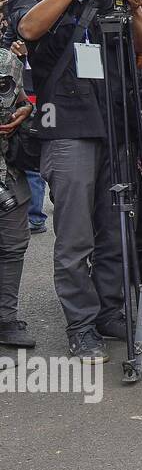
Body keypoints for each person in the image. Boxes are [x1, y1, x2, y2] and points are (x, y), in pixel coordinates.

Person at [11, 0, 142, 361]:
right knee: (75, 237)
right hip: (68, 128)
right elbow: (29, 29)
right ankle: (81, 325)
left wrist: (135, 6)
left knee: (114, 231)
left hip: (115, 125)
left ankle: (110, 311)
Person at [0, 46, 34, 349]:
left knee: (13, 247)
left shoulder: (8, 61)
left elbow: (23, 101)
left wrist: (26, 111)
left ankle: (6, 319)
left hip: (8, 173)